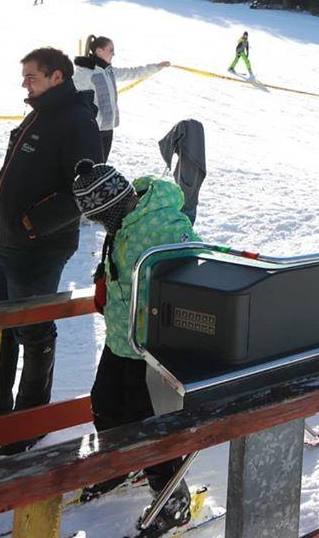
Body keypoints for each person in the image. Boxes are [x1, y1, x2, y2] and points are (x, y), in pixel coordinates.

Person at [0, 47, 102, 454]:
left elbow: (83, 191)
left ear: (57, 76)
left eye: (31, 76)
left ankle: (28, 423)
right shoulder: (40, 112)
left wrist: (28, 226)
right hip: (7, 246)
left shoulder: (77, 121)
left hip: (38, 249)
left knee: (31, 331)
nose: (24, 83)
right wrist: (1, 229)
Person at [72, 159, 198, 535]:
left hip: (150, 346)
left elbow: (191, 273)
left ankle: (173, 500)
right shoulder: (125, 222)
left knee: (149, 424)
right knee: (106, 403)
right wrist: (103, 279)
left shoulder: (162, 224)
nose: (98, 227)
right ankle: (118, 465)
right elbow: (118, 261)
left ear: (108, 207)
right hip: (120, 337)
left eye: (98, 218)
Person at [73, 35, 170, 161]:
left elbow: (132, 72)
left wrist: (156, 67)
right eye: (111, 50)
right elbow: (74, 99)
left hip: (108, 127)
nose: (114, 54)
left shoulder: (109, 71)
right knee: (90, 168)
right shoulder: (85, 73)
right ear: (99, 51)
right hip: (92, 129)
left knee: (101, 166)